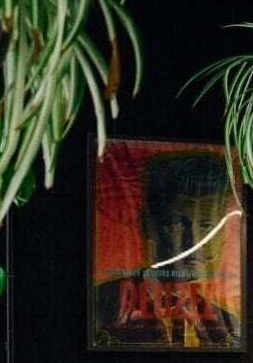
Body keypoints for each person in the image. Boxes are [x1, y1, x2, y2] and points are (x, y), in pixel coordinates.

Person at [92, 147, 241, 348]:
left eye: (207, 226)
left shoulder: (229, 326)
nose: (194, 242)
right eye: (176, 225)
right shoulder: (102, 303)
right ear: (147, 224)